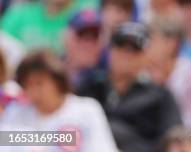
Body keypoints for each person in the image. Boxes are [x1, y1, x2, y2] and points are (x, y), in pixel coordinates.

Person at [77, 22, 182, 152]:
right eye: (121, 47)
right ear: (110, 51)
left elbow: (173, 141)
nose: (126, 55)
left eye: (134, 50)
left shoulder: (160, 96)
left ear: (145, 56)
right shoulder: (89, 88)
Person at [0, 49, 118, 151]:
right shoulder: (16, 112)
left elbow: (101, 149)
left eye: (39, 83)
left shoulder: (87, 110)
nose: (34, 91)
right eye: (27, 85)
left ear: (57, 80)